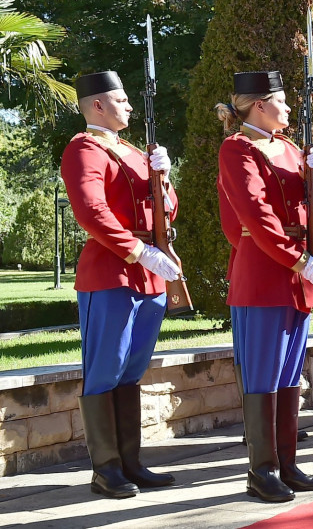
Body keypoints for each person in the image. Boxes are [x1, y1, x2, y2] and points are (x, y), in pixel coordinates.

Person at [62, 71, 180, 499]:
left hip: (151, 272)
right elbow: (91, 210)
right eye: (121, 99)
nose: (129, 106)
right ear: (97, 105)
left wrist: (164, 180)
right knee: (106, 368)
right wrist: (136, 250)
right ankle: (106, 469)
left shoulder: (131, 150)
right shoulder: (83, 149)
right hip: (112, 272)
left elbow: (166, 210)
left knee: (131, 371)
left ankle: (131, 462)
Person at [215, 70, 313, 502]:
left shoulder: (287, 147)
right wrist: (299, 259)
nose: (289, 107)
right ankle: (260, 470)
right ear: (260, 104)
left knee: (287, 375)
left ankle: (287, 463)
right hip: (265, 272)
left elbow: (307, 210)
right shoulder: (237, 148)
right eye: (282, 100)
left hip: (297, 273)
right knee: (263, 374)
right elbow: (256, 216)